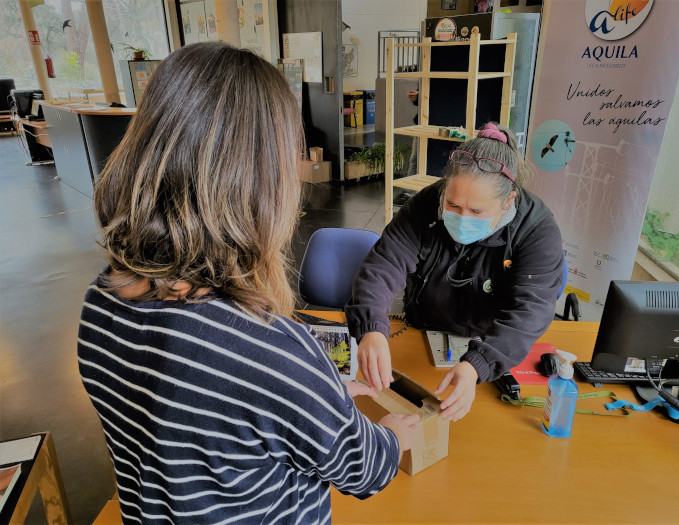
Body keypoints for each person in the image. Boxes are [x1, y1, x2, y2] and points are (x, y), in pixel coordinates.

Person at [78, 42, 419, 524]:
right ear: (262, 183)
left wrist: (310, 397)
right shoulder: (271, 352)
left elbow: (200, 423)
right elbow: (362, 468)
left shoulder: (101, 299)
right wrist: (393, 435)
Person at [345, 123, 564, 422]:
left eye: (477, 212)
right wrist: (371, 326)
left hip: (492, 345)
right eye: (452, 204)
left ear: (508, 201)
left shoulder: (537, 229)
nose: (461, 218)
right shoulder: (426, 204)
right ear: (445, 187)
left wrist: (479, 364)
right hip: (422, 330)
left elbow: (531, 310)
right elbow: (385, 263)